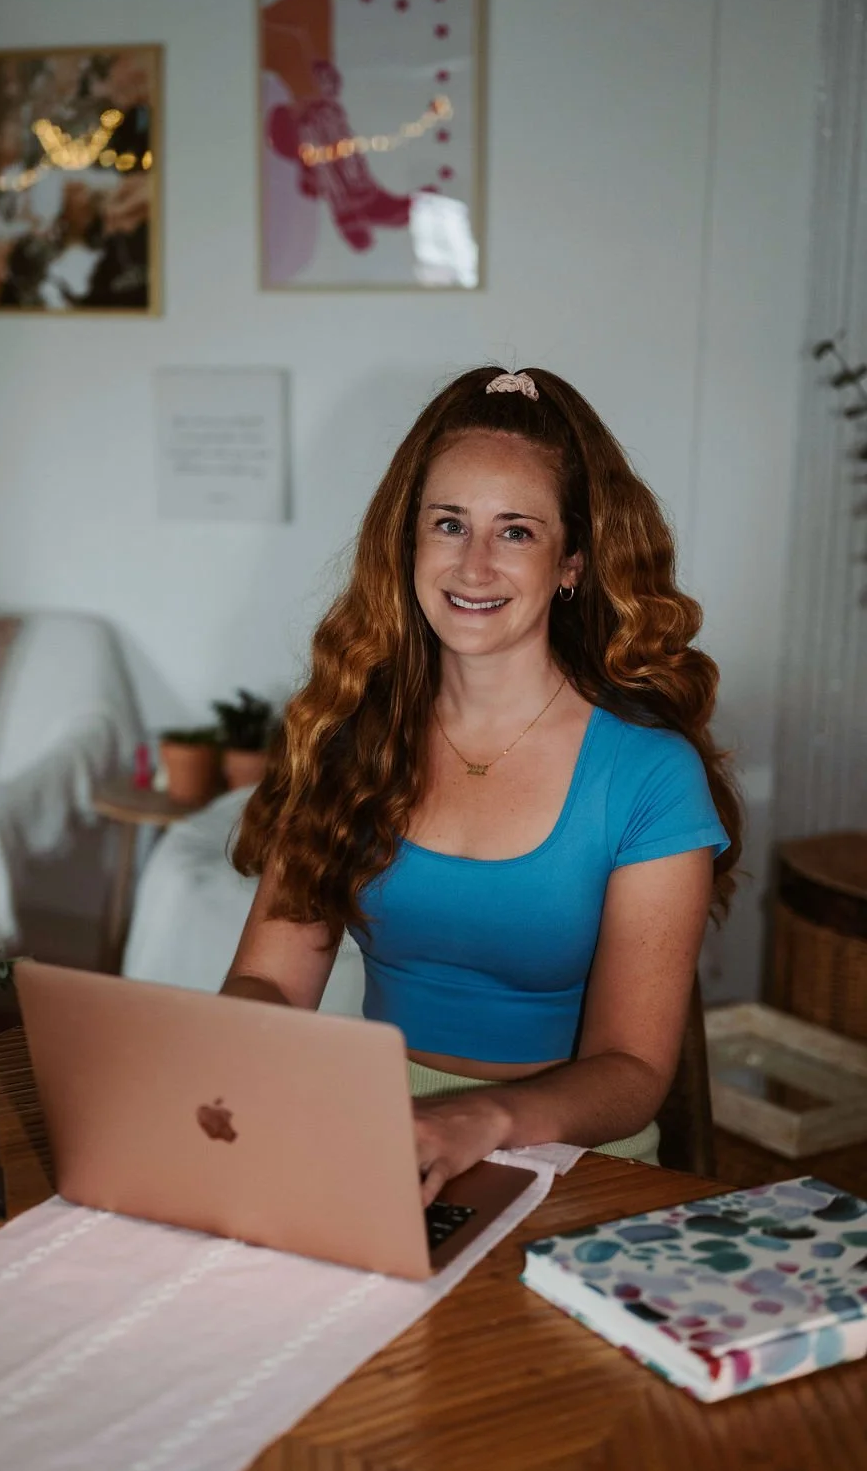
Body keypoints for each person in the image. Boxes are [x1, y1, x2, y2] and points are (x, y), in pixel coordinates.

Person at [222, 366, 741, 1204]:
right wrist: (233, 1058)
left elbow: (634, 1070)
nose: (473, 564)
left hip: (570, 1158)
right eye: (450, 523)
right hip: (374, 1142)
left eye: (517, 533)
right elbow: (273, 981)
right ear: (409, 543)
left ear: (571, 562)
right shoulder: (347, 738)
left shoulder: (648, 774)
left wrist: (482, 1121)